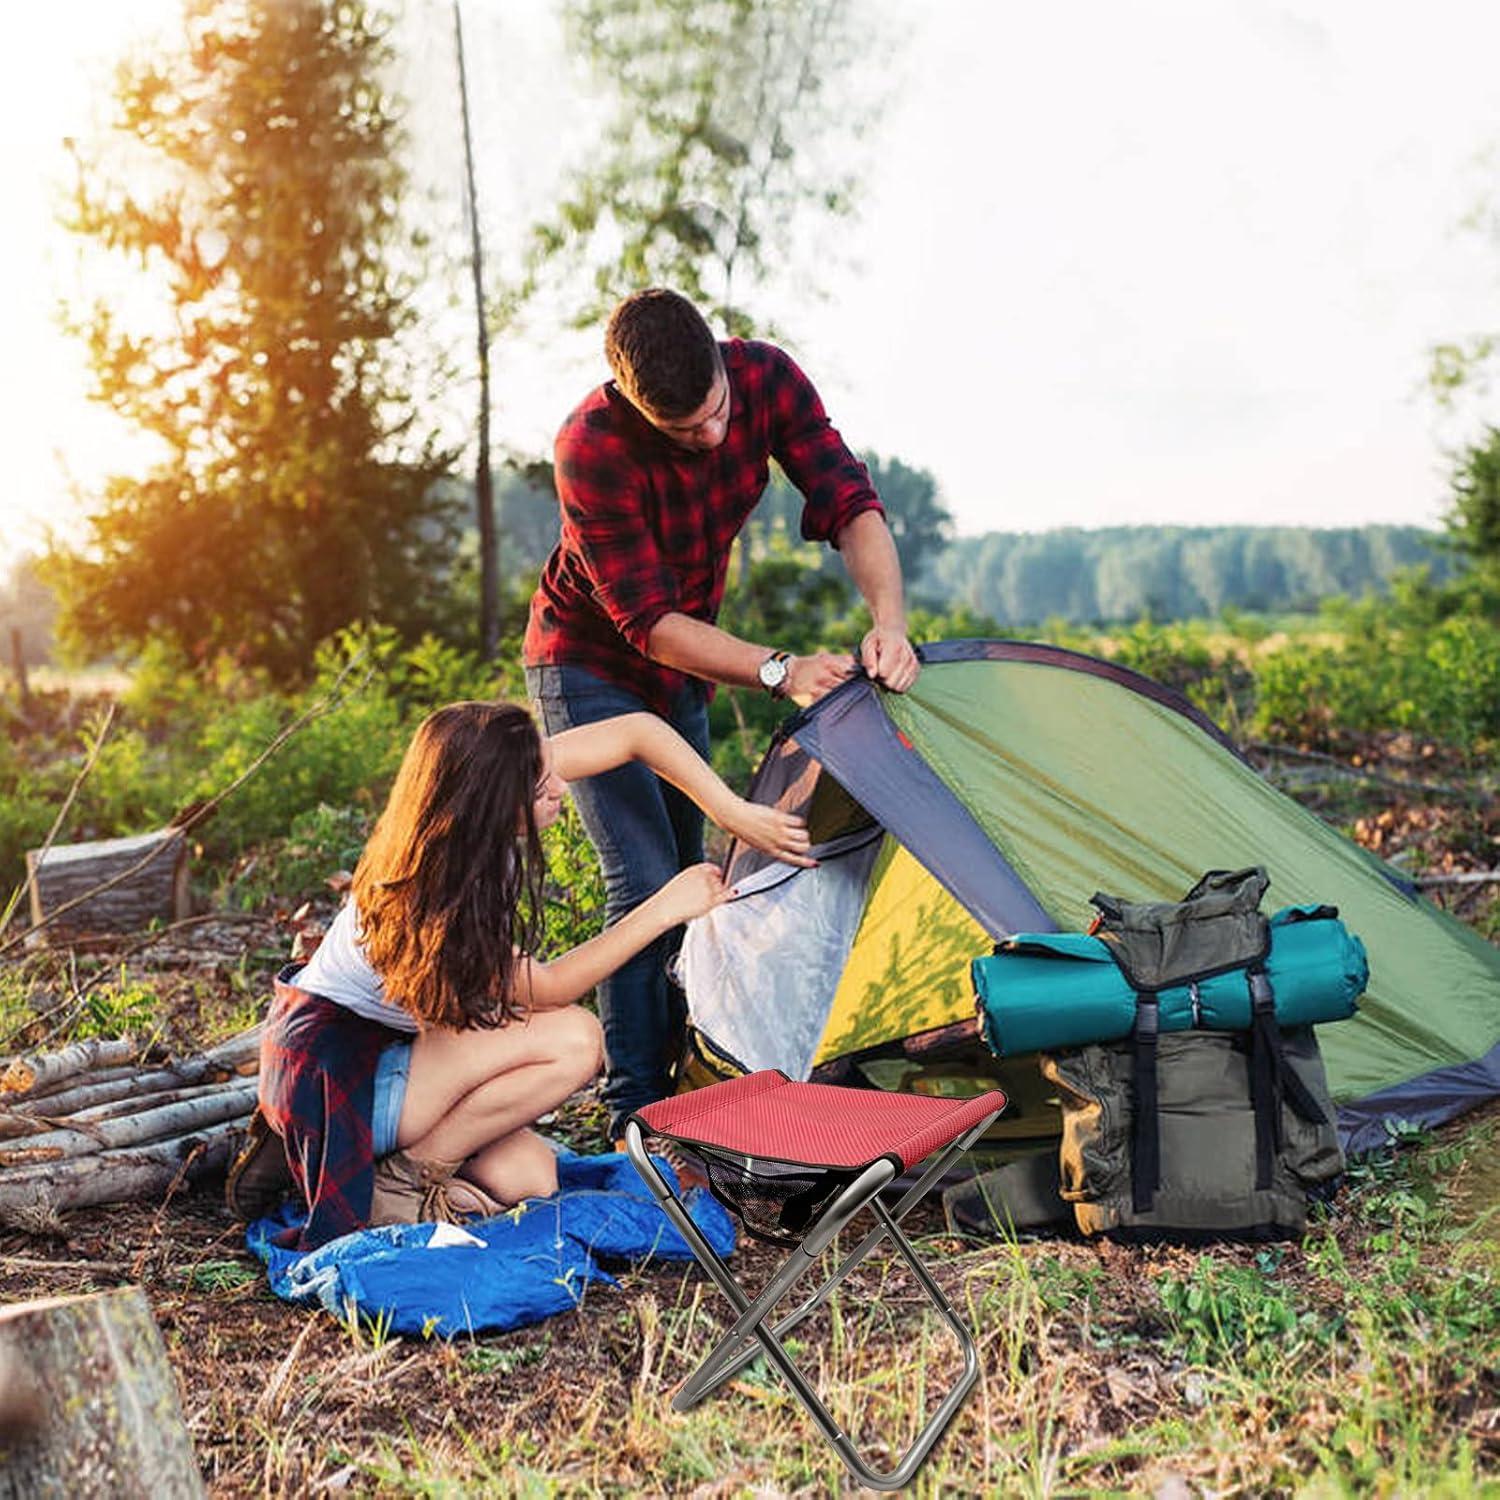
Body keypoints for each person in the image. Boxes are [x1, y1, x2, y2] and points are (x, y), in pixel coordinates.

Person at [524, 287, 921, 1144]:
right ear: (631, 402)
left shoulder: (766, 378)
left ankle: (694, 1076)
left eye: (716, 415)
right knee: (643, 875)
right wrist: (778, 670)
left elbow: (850, 503)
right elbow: (649, 627)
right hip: (589, 666)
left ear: (720, 362)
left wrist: (888, 625)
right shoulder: (588, 448)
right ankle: (639, 1115)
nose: (710, 438)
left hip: (686, 669)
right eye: (684, 431)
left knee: (697, 871)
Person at [241, 699, 811, 1249]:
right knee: (575, 1038)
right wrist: (665, 906)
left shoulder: (495, 784)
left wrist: (731, 811)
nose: (560, 786)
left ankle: (403, 1168)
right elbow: (553, 988)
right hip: (340, 1076)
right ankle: (403, 1180)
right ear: (490, 804)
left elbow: (637, 732)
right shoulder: (436, 901)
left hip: (395, 1060)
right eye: (541, 789)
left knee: (533, 1177)